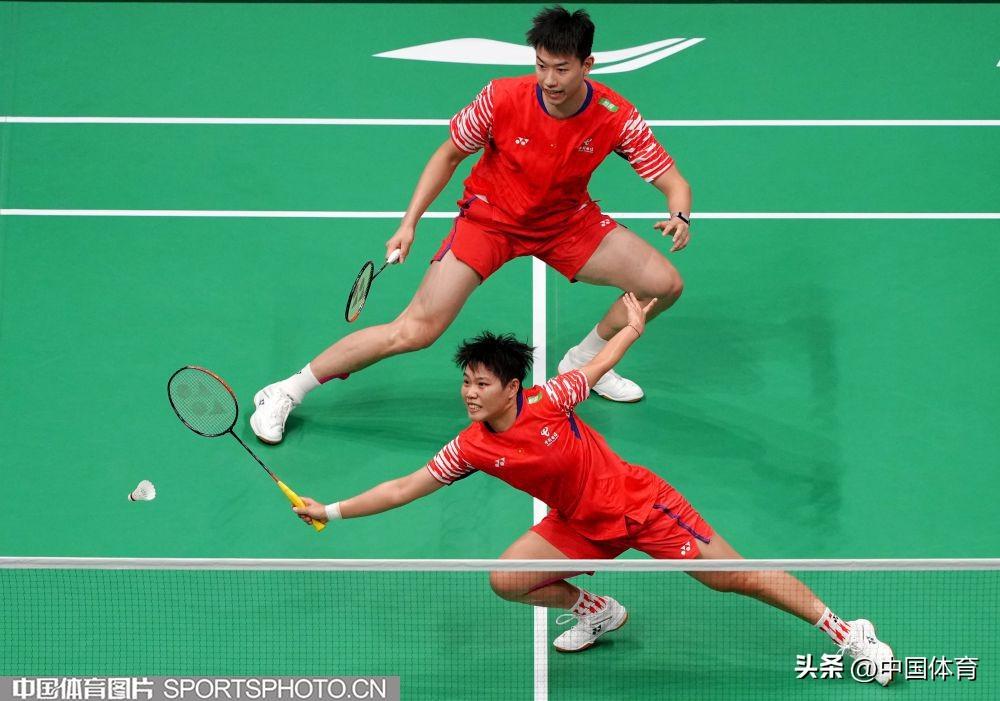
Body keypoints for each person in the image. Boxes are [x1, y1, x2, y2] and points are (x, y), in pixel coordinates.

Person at [291, 293, 896, 686]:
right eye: (466, 383)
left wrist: (631, 329)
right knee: (507, 578)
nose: (469, 394)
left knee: (734, 576)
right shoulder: (471, 446)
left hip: (642, 507)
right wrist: (332, 511)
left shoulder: (550, 401)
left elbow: (597, 366)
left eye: (481, 384)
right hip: (579, 525)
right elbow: (404, 488)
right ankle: (598, 610)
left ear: (511, 387)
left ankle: (848, 632)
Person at [251, 6, 692, 445]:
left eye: (562, 69)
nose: (549, 80)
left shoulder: (616, 114)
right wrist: (409, 224)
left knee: (663, 284)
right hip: (490, 221)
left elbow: (673, 181)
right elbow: (448, 155)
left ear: (587, 65)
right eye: (541, 66)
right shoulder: (501, 98)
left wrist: (679, 215)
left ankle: (586, 359)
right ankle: (287, 390)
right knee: (415, 331)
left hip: (565, 223)